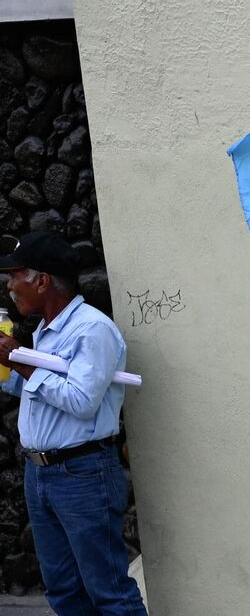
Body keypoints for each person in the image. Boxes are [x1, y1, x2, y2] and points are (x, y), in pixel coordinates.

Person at [0, 231, 148, 615]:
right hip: (43, 474)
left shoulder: (92, 329)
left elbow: (82, 400)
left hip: (81, 473)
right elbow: (40, 391)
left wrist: (20, 362)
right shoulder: (44, 332)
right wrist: (11, 370)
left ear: (43, 280)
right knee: (64, 591)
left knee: (109, 591)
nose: (9, 285)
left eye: (15, 275)